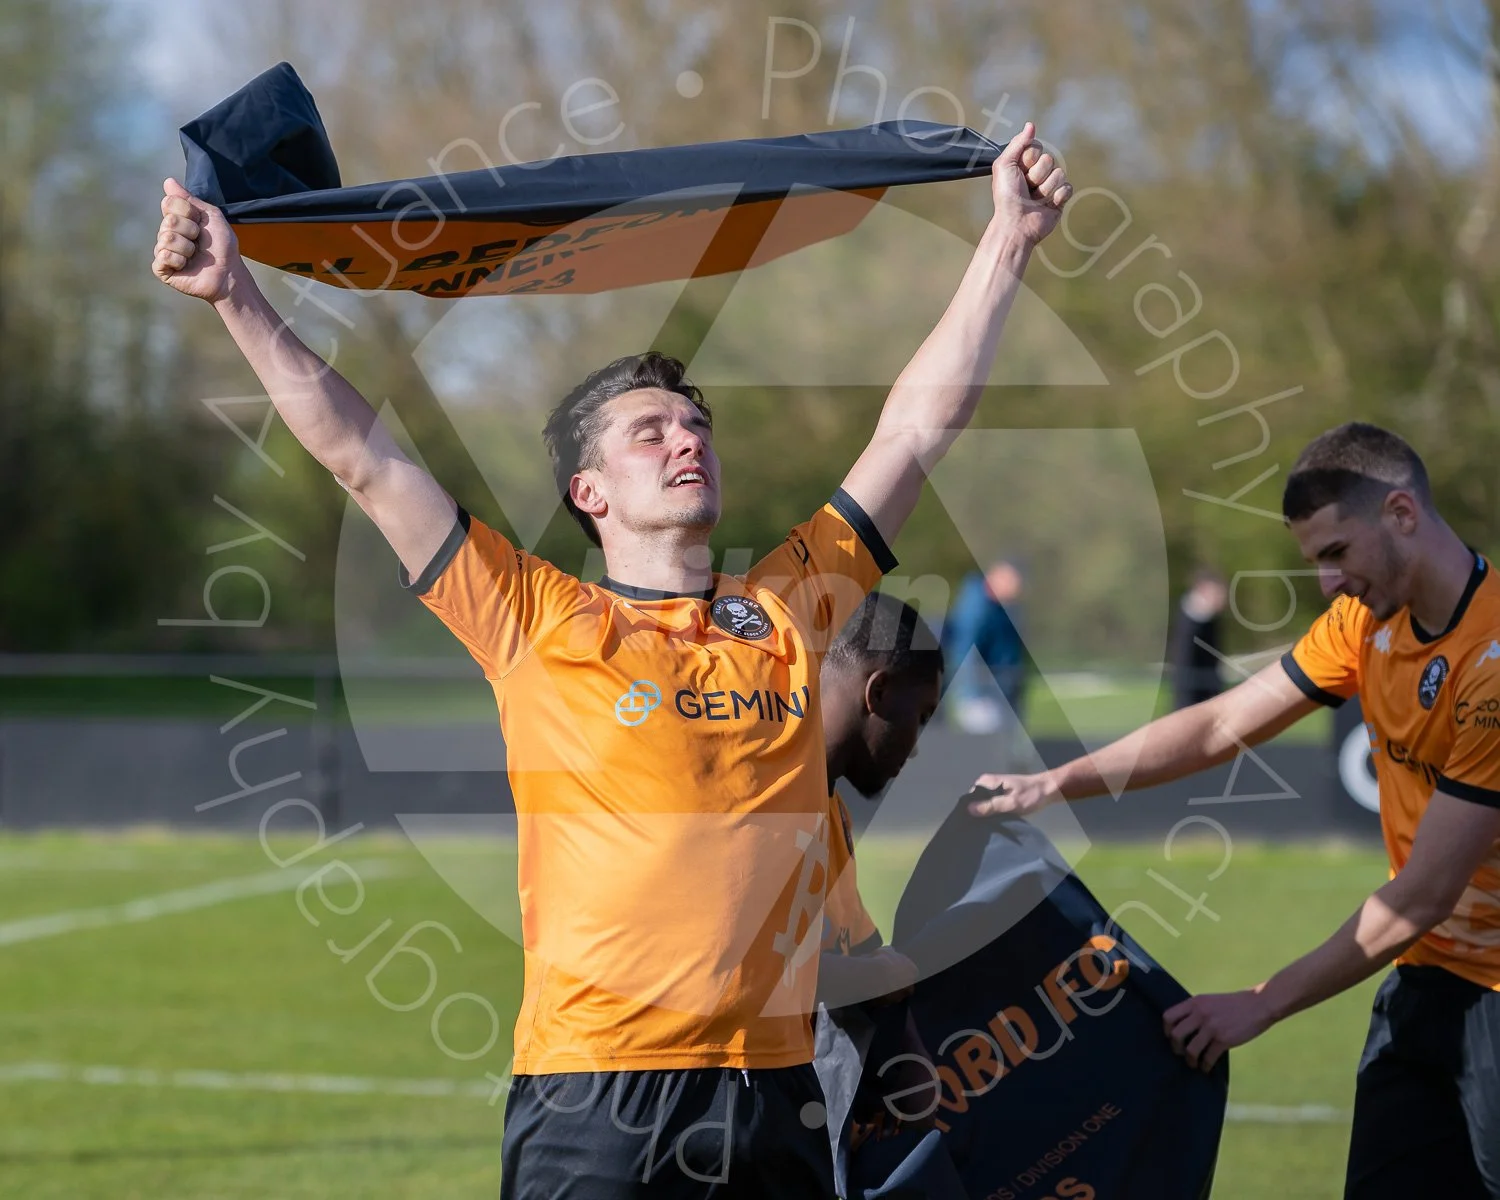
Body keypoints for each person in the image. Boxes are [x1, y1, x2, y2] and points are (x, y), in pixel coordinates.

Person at [151, 123, 1071, 1198]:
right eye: (650, 431)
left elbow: (912, 433)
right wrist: (235, 299)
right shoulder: (530, 615)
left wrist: (1008, 239)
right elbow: (365, 458)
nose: (688, 440)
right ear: (590, 495)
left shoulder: (786, 605)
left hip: (775, 1091)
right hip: (597, 1097)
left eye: (698, 424)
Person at [966, 423, 1500, 1199]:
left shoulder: (1492, 667)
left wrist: (1259, 1004)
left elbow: (1420, 898)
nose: (1326, 582)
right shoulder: (1365, 623)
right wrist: (1055, 783)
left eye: (1335, 552)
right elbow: (1220, 724)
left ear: (1402, 514)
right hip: (1421, 989)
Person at [940, 559, 1027, 737]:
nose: (1016, 588)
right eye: (1011, 580)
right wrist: (971, 694)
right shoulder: (975, 607)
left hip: (1003, 690)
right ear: (996, 576)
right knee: (991, 747)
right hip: (981, 696)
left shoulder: (1003, 607)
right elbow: (964, 652)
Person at [1168, 567, 1228, 710]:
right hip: (1192, 699)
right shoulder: (1191, 624)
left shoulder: (1209, 620)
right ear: (1203, 589)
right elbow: (1185, 665)